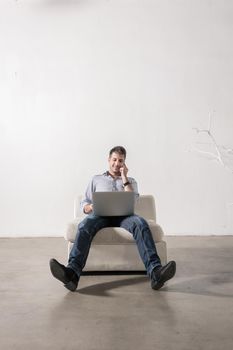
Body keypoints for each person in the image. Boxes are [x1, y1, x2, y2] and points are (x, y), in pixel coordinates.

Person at [50, 146, 176, 291]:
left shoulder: (131, 181)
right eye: (114, 160)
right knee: (85, 225)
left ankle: (156, 273)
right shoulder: (96, 179)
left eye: (120, 161)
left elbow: (133, 200)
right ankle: (71, 274)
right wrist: (90, 207)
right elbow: (84, 203)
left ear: (124, 163)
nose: (117, 163)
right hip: (100, 215)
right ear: (109, 160)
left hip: (125, 216)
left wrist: (124, 177)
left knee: (140, 224)